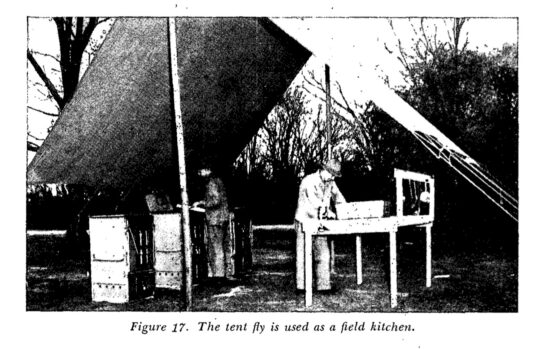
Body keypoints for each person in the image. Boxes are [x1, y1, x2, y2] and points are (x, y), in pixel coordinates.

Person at [295, 159, 346, 293]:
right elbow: (313, 202)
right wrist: (330, 213)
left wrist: (346, 210)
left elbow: (339, 198)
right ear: (324, 171)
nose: (333, 178)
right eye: (332, 174)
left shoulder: (330, 182)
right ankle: (302, 287)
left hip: (320, 222)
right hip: (304, 220)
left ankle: (324, 286)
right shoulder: (308, 181)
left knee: (323, 254)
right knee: (303, 254)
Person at [193, 167, 233, 280]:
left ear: (208, 170)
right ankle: (227, 273)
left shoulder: (211, 184)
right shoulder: (219, 181)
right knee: (224, 247)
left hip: (215, 219)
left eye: (201, 171)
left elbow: (215, 200)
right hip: (223, 218)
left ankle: (218, 276)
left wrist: (203, 204)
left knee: (215, 248)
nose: (199, 174)